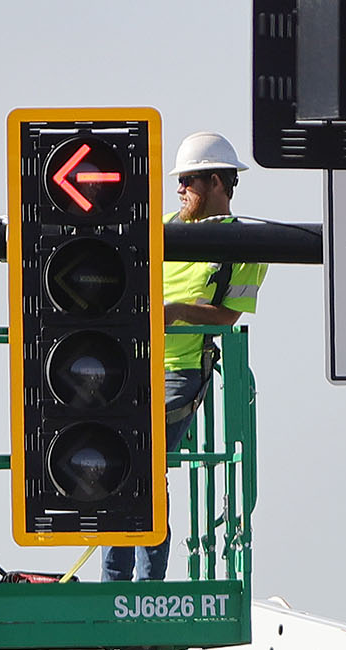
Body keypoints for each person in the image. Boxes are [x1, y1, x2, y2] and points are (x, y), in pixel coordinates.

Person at [101, 130, 265, 584]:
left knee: (143, 469)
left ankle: (140, 585)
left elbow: (228, 315)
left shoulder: (245, 246)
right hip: (131, 369)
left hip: (179, 374)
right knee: (122, 469)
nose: (180, 190)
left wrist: (175, 313)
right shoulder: (162, 232)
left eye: (188, 181)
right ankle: (114, 585)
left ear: (217, 182)